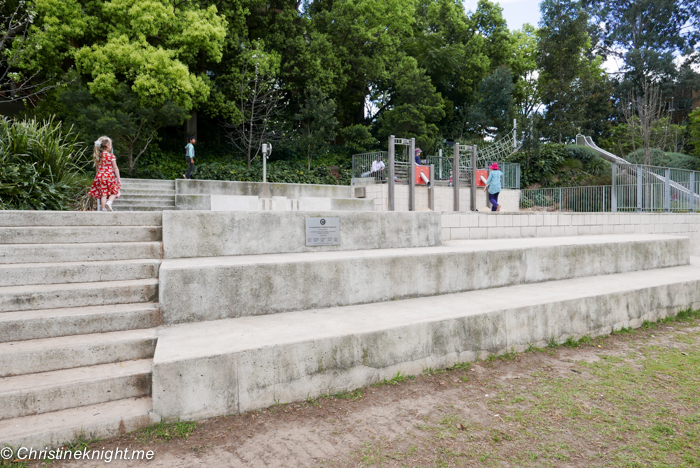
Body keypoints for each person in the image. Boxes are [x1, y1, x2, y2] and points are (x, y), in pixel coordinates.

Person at [88, 136, 121, 212]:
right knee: (115, 191)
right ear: (107, 145)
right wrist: (118, 178)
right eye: (111, 145)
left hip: (100, 176)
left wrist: (98, 176)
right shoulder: (110, 156)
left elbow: (97, 169)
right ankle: (109, 203)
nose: (111, 147)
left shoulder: (98, 156)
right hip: (109, 176)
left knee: (104, 194)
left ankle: (103, 209)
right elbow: (115, 168)